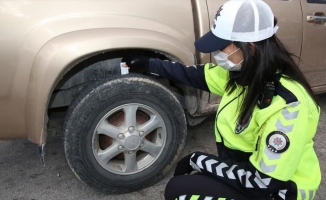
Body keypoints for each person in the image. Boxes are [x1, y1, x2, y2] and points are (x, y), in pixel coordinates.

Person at [122, 0, 321, 199]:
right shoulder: (245, 74)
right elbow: (197, 75)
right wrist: (149, 64)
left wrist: (201, 160)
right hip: (249, 169)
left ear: (249, 48)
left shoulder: (288, 107)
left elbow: (265, 182)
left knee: (180, 191)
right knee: (185, 185)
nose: (216, 54)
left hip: (279, 189)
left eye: (221, 46)